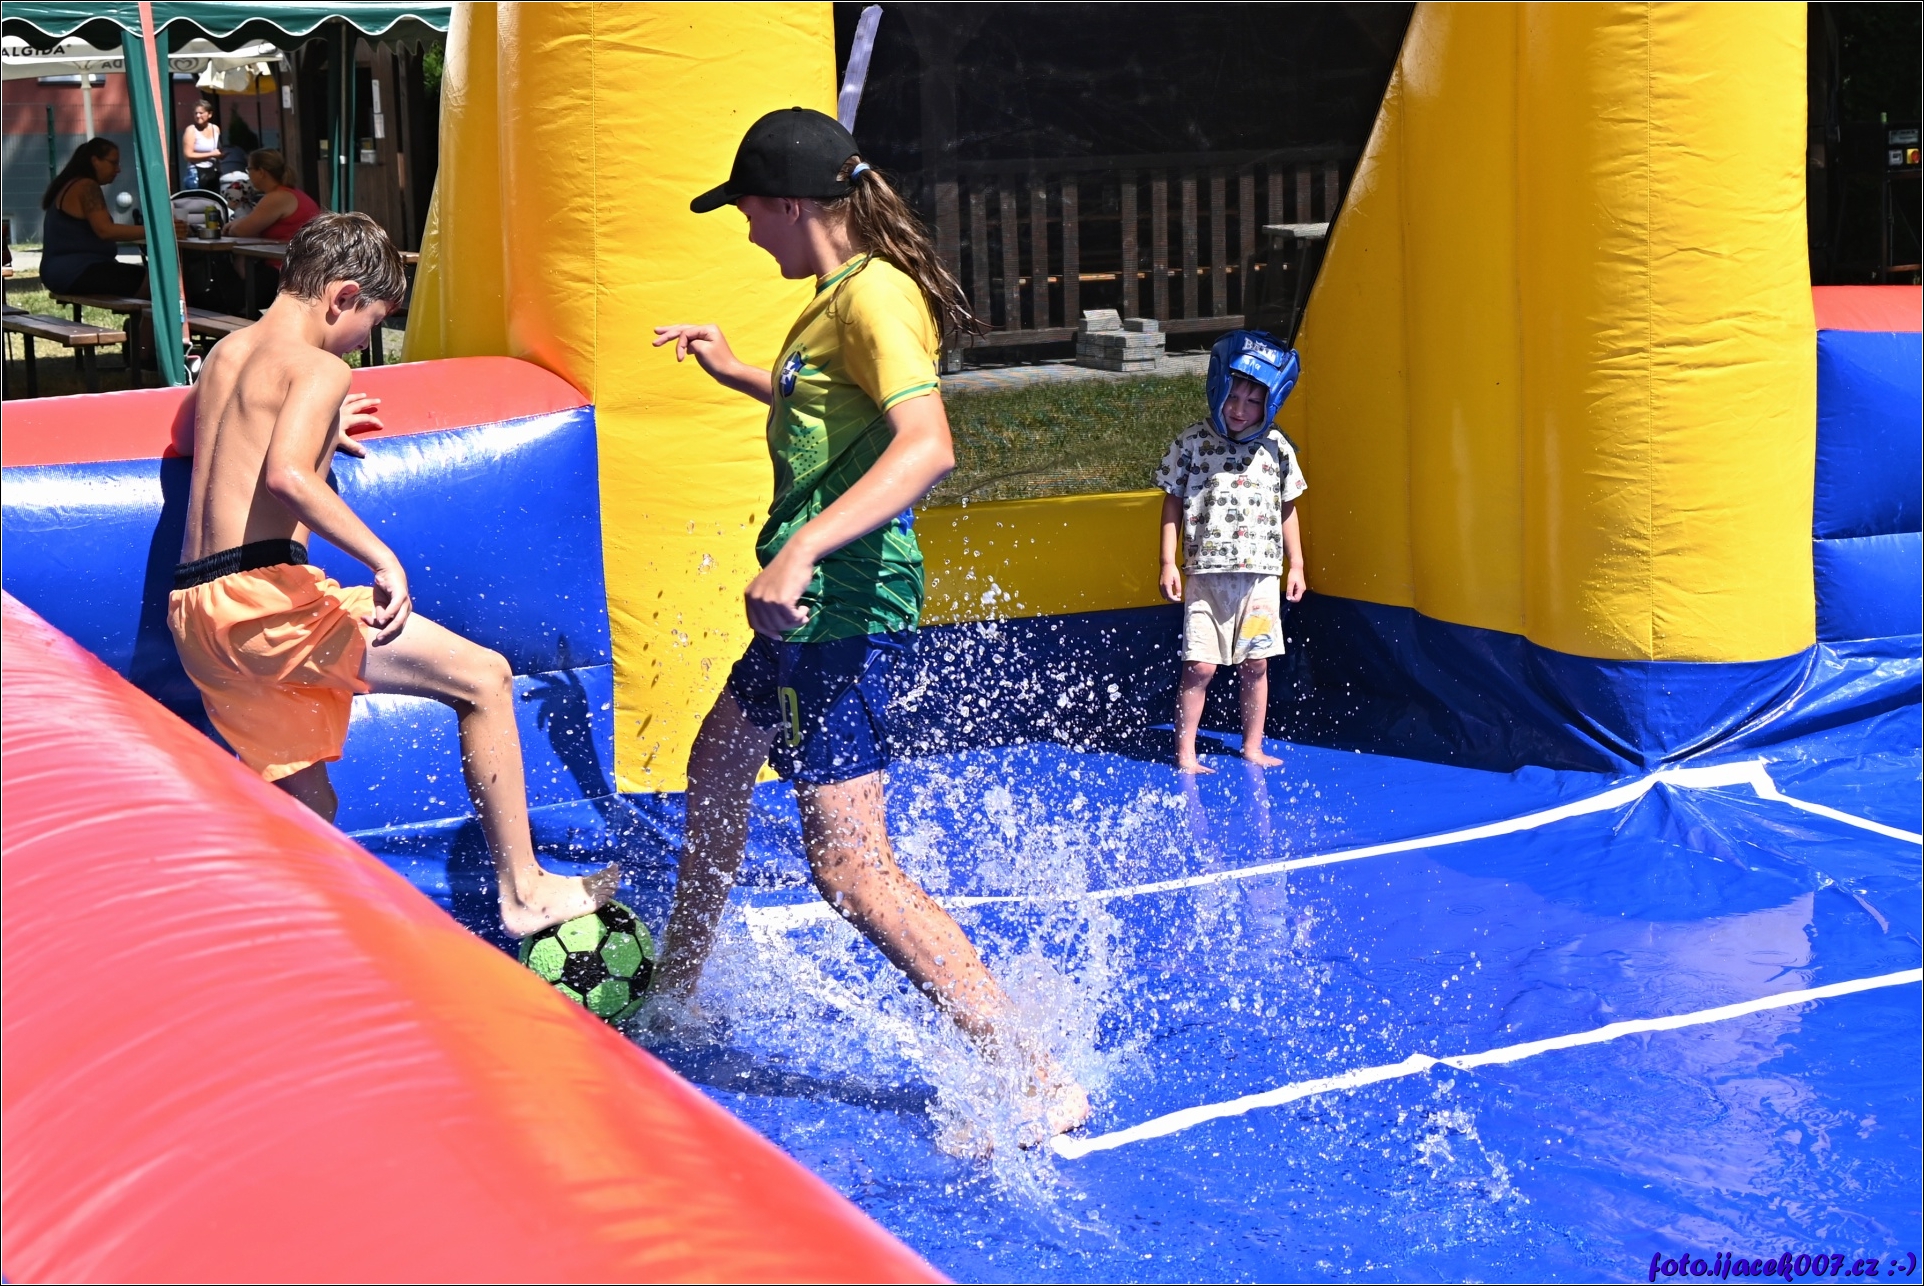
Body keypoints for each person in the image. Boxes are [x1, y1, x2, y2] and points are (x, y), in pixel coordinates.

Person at [650, 107, 1089, 1141]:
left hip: (837, 605)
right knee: (717, 766)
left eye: (747, 211)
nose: (744, 230)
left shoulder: (874, 296)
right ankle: (675, 995)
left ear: (790, 205)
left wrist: (800, 550)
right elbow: (825, 412)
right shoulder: (834, 299)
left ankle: (1035, 1073)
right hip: (808, 611)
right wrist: (740, 372)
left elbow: (926, 444)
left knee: (850, 869)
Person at [167, 211, 618, 938]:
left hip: (197, 612)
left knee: (310, 810)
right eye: (371, 324)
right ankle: (525, 890)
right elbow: (285, 475)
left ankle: (276, 948)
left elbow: (198, 438)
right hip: (264, 603)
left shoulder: (226, 352)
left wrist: (314, 422)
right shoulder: (319, 368)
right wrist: (383, 557)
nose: (363, 343)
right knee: (485, 678)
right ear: (342, 296)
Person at [1156, 330, 1308, 774]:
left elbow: (1287, 506)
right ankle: (1185, 754)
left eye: (1253, 401)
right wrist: (1167, 561)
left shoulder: (1277, 447)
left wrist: (1296, 564)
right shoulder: (1192, 442)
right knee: (1200, 668)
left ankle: (1253, 746)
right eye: (1233, 396)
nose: (1239, 409)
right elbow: (1172, 501)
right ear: (1217, 388)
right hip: (1206, 577)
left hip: (1260, 578)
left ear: (1271, 404)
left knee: (1256, 664)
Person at [38, 138, 152, 297]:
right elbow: (105, 231)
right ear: (95, 161)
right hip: (76, 272)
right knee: (157, 282)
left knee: (143, 279)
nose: (118, 169)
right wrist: (156, 231)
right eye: (113, 163)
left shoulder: (71, 183)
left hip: (62, 273)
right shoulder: (86, 186)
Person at [228, 149, 323, 243]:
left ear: (261, 172)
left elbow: (241, 231)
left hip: (291, 252)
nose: (248, 174)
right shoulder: (289, 193)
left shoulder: (277, 197)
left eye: (249, 169)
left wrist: (232, 226)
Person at [182, 100, 221, 191]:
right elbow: (188, 155)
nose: (198, 116)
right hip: (195, 174)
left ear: (209, 114)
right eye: (196, 113)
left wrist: (222, 155)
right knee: (197, 199)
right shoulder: (191, 130)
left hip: (212, 173)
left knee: (212, 199)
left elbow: (218, 150)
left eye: (201, 113)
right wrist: (211, 154)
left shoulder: (215, 129)